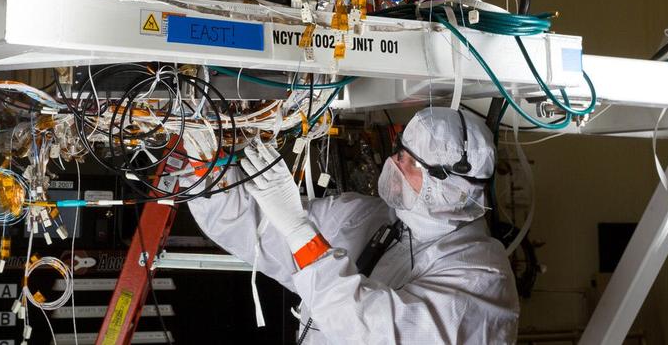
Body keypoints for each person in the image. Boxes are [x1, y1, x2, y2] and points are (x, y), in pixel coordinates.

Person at [189, 106, 519, 343]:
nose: (394, 162)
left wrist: (300, 232)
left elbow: (370, 332)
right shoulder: (375, 218)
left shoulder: (482, 278)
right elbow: (254, 227)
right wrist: (200, 165)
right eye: (399, 150)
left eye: (409, 160)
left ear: (451, 187)